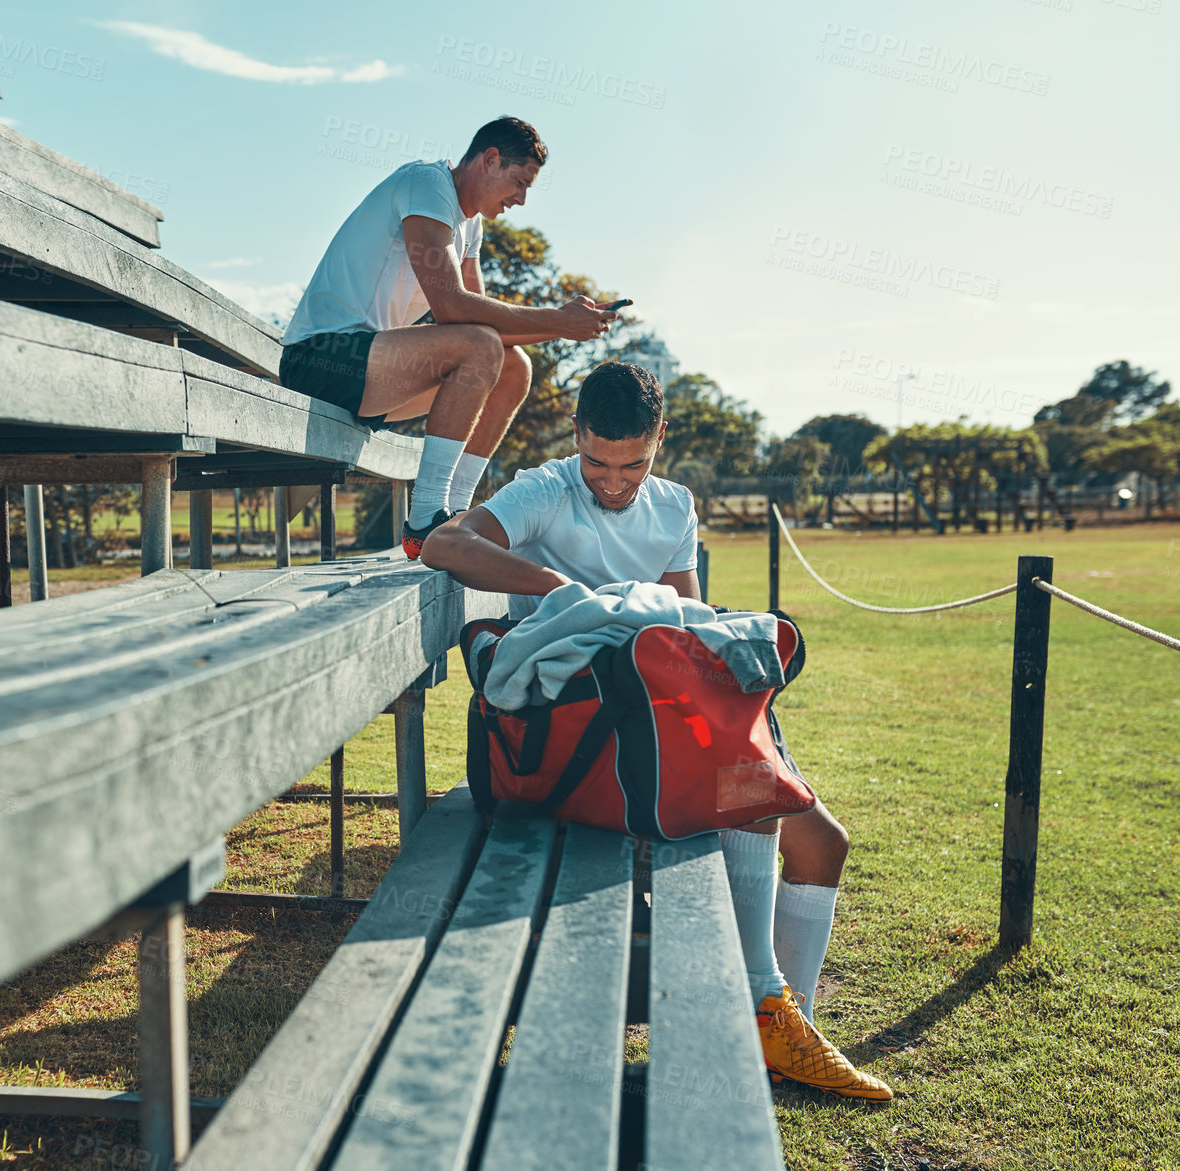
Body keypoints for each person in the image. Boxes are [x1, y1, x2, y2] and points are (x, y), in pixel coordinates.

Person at [421, 360, 892, 1102]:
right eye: (598, 461)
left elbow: (688, 632)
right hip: (579, 729)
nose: (613, 481)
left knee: (823, 843)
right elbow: (446, 543)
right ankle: (761, 1016)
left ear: (660, 439)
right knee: (752, 793)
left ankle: (772, 1026)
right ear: (577, 436)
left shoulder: (675, 506)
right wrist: (555, 588)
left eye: (633, 462)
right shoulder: (548, 487)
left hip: (660, 714)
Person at [278, 115, 623, 559]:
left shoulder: (471, 225)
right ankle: (425, 521)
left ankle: (456, 516)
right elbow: (453, 308)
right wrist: (558, 321)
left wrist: (569, 327)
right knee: (481, 347)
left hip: (373, 374)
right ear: (490, 160)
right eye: (518, 182)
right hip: (320, 358)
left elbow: (483, 326)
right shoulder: (427, 183)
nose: (520, 199)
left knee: (513, 367)